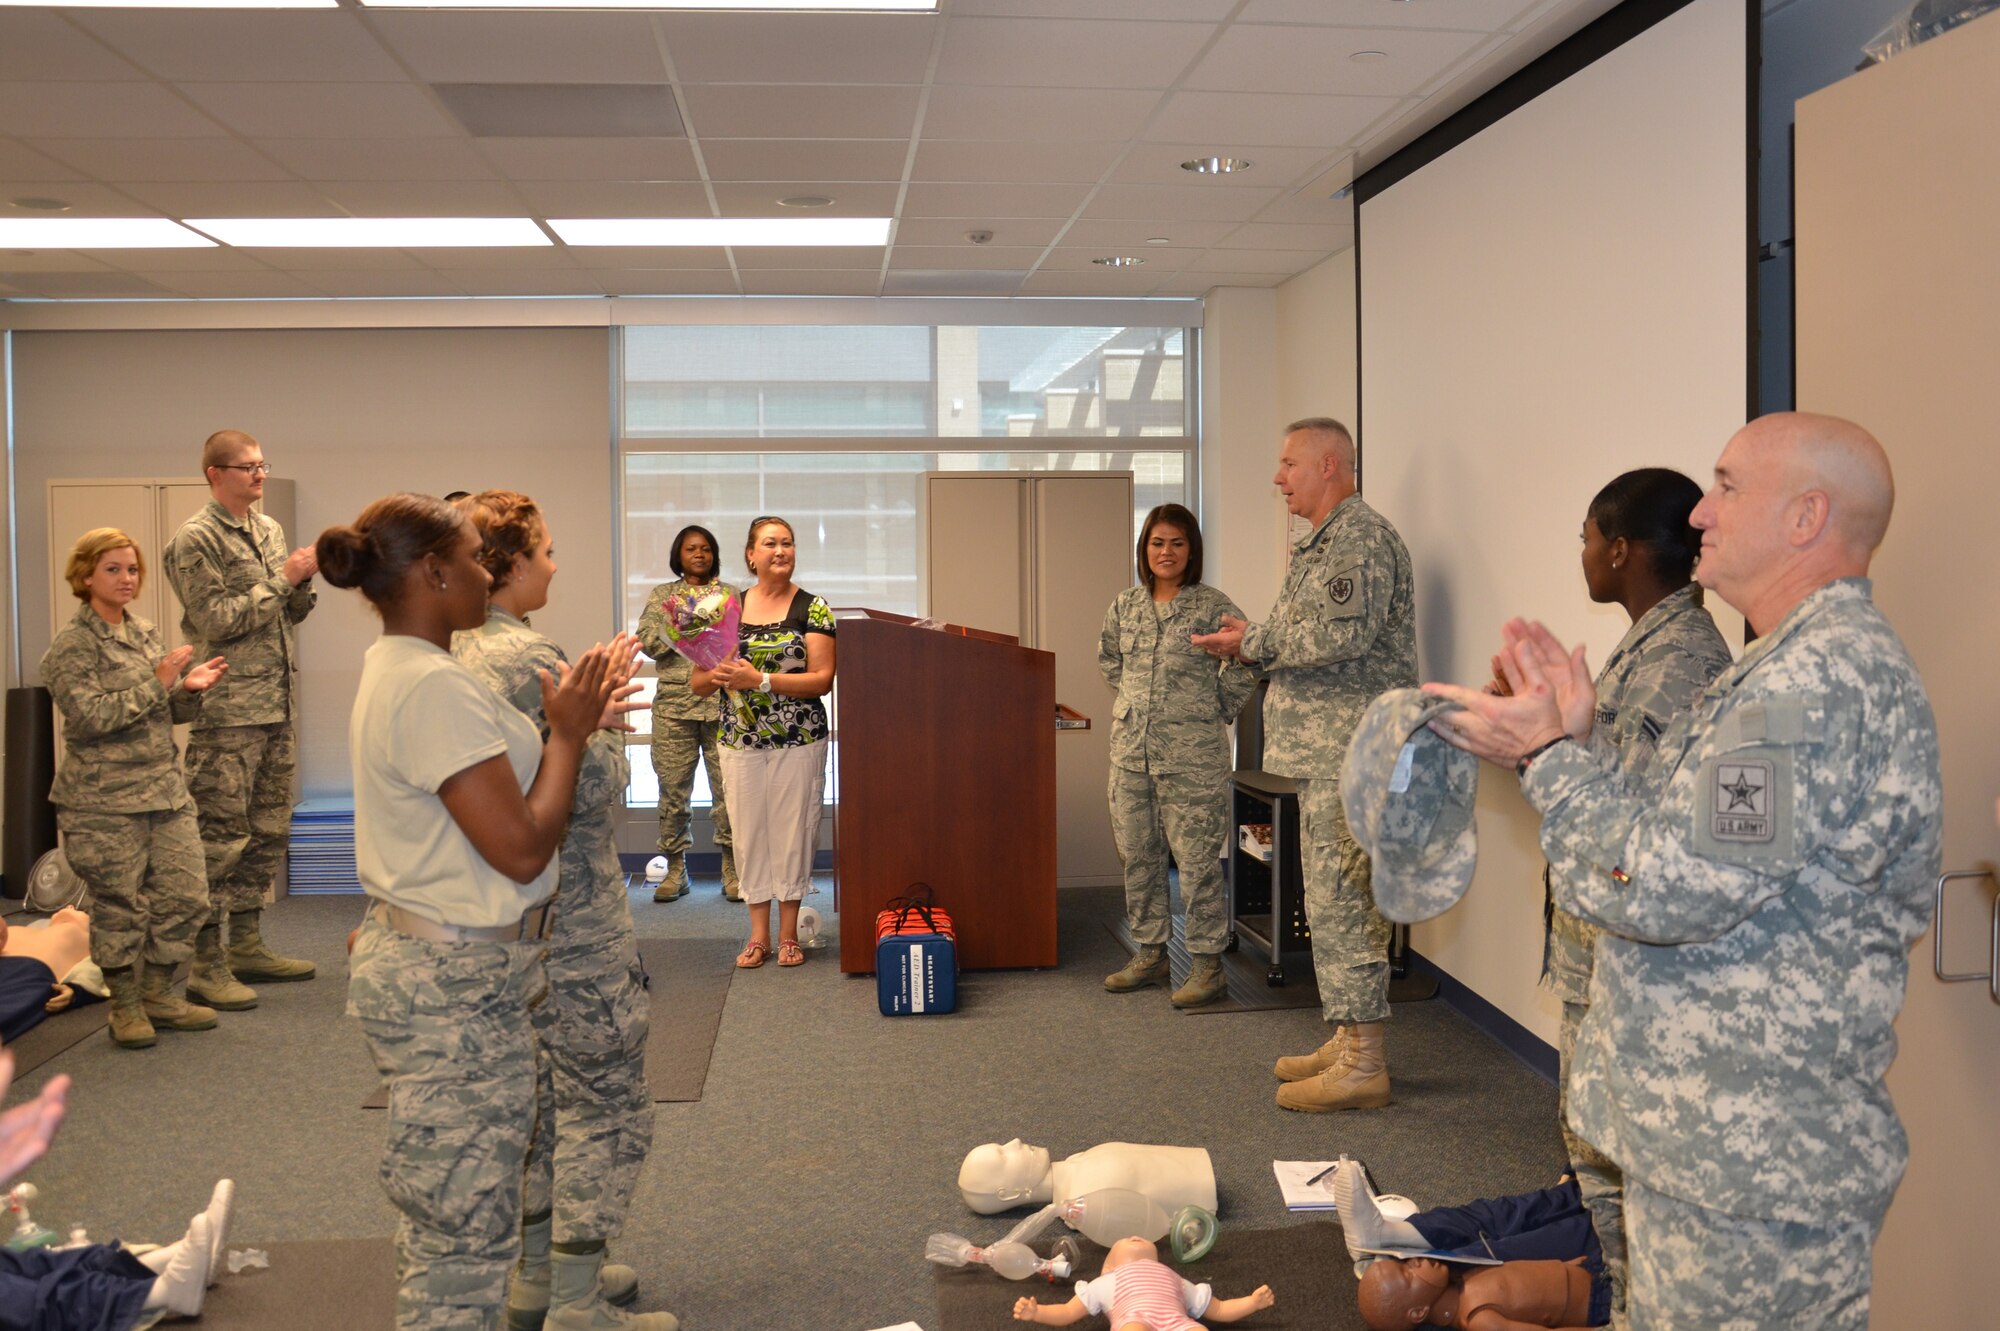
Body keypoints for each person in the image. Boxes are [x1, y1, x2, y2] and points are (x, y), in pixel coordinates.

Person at [1425, 413, 1942, 1330]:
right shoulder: (1779, 670)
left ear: (1805, 516)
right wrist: (1578, 740)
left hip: (1751, 1163)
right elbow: (1668, 835)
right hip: (1713, 1145)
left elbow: (1662, 885)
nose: (1700, 511)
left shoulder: (1813, 686)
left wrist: (1549, 757)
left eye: (1729, 486)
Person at [318, 493, 632, 1331]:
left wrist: (569, 724)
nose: (484, 572)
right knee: (461, 1251)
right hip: (450, 989)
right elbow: (523, 847)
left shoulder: (416, 664)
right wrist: (567, 735)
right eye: (470, 557)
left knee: (463, 1225)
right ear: (431, 572)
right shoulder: (428, 684)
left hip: (459, 974)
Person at [1512, 468, 1731, 1311]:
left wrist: (1552, 749)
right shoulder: (1650, 641)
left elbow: (1633, 823)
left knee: (1615, 1170)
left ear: (1621, 548)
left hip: (1625, 958)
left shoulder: (1680, 660)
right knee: (1594, 1157)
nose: (1582, 554)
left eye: (1585, 537)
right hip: (1599, 950)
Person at [450, 490, 669, 1331]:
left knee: (537, 1104)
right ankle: (577, 1300)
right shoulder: (531, 658)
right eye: (541, 550)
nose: (554, 562)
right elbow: (593, 789)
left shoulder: (451, 651)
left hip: (495, 919)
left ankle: (537, 1276)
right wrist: (603, 719)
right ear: (503, 564)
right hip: (569, 917)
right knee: (608, 1102)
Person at [1192, 417, 1418, 1112]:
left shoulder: (1359, 540)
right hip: (1327, 754)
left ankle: (1365, 1065)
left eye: (1289, 463)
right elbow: (1304, 633)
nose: (1278, 477)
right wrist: (1253, 642)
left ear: (1329, 465)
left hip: (1351, 754)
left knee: (1346, 900)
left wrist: (1252, 641)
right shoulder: (1320, 544)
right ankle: (1350, 1038)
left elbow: (1331, 638)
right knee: (1327, 897)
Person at [40, 528, 228, 1049]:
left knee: (188, 898)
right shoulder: (71, 647)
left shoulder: (144, 633)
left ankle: (157, 995)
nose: (127, 579)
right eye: (113, 570)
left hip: (164, 792)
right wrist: (159, 682)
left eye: (132, 569)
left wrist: (187, 690)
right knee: (120, 906)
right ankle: (124, 1007)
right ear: (85, 577)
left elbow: (163, 710)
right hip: (103, 801)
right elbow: (91, 716)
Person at [163, 428, 318, 1002]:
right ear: (215, 474)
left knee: (267, 831)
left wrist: (303, 585)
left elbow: (287, 616)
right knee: (218, 838)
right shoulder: (194, 540)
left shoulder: (269, 529)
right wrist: (284, 580)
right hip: (227, 713)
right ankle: (205, 965)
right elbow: (219, 621)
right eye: (247, 466)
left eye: (262, 464)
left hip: (275, 704)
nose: (260, 474)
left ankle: (247, 946)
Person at [1099, 504, 1257, 1008]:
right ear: (1144, 550)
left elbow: (1248, 661)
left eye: (1177, 543)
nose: (1166, 553)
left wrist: (1214, 707)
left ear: (1192, 551)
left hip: (1193, 760)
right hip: (1131, 756)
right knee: (1139, 858)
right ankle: (1151, 953)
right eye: (1157, 543)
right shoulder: (1125, 606)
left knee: (1196, 864)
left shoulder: (1213, 607)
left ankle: (1208, 967)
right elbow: (1109, 659)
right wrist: (1134, 707)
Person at [690, 516, 836, 969]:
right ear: (751, 555)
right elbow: (698, 683)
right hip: (740, 741)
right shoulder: (724, 608)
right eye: (769, 544)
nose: (780, 551)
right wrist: (722, 674)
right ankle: (757, 937)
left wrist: (762, 680)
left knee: (794, 832)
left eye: (787, 543)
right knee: (749, 834)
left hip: (799, 740)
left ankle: (789, 935)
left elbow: (822, 680)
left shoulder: (813, 608)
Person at [636, 524, 739, 903]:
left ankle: (732, 866)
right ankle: (676, 868)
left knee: (727, 793)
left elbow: (739, 643)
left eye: (706, 549)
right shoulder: (664, 595)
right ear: (678, 555)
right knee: (673, 792)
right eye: (691, 549)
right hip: (674, 709)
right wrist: (680, 622)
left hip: (721, 704)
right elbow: (646, 642)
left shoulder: (728, 594)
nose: (699, 554)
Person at [1011, 1235, 1275, 1329]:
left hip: (1178, 1323)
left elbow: (1217, 1309)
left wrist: (1251, 1302)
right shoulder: (1107, 1281)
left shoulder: (1174, 1278)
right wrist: (1039, 1313)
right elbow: (1068, 1312)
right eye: (1124, 1240)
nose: (1135, 1235)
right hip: (1134, 1320)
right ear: (1109, 1266)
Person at [958, 1141, 1216, 1218]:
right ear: (1008, 1193)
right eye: (1003, 1155)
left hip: (1196, 1167)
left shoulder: (1077, 1162)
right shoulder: (1084, 1203)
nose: (1014, 1142)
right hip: (1202, 1193)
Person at [1, 908, 97, 1042]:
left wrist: (76, 992)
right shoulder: (17, 929)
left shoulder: (89, 940)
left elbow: (100, 972)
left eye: (82, 912)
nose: (70, 907)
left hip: (28, 972)